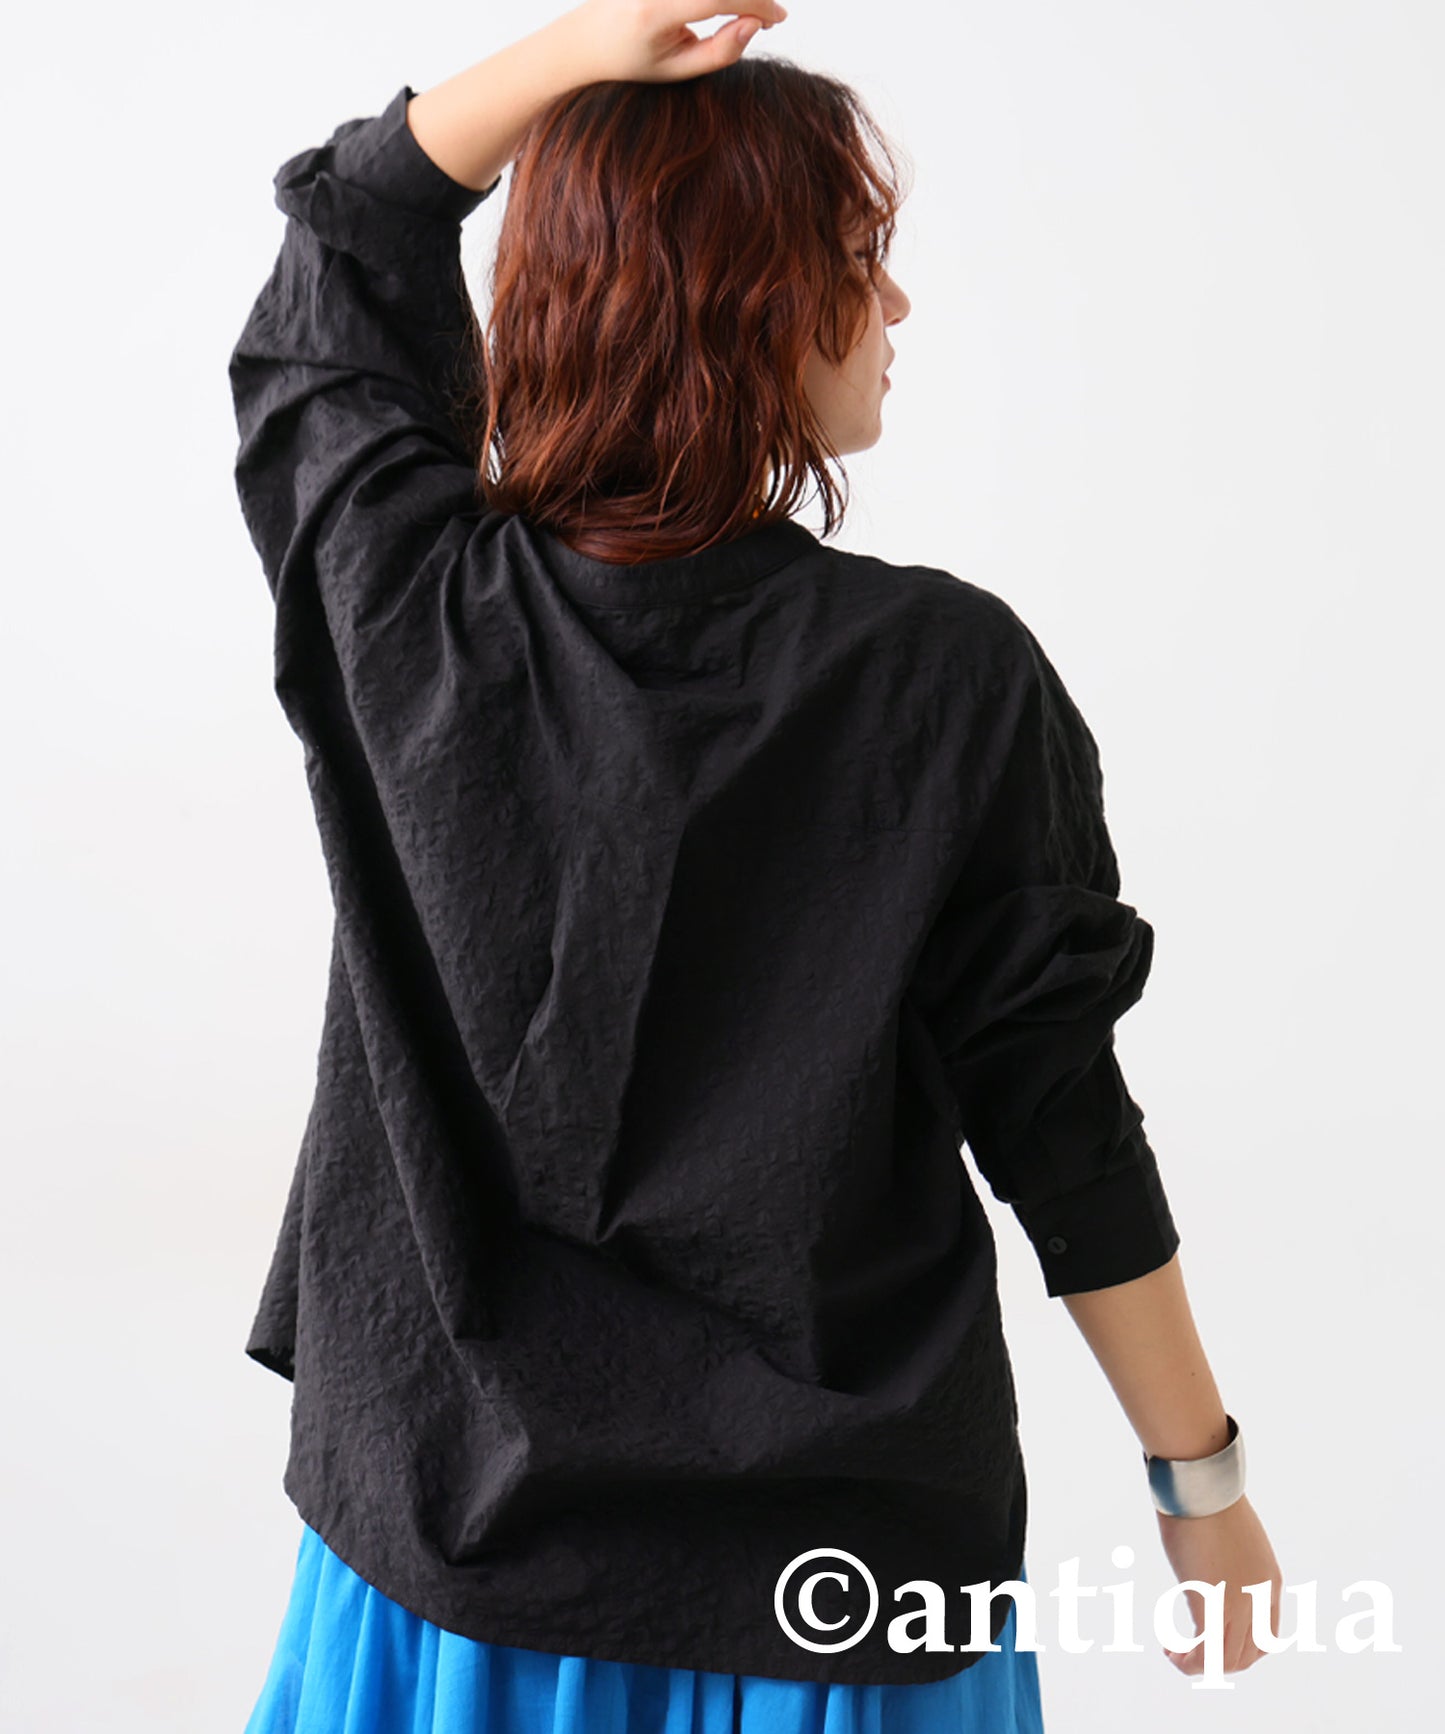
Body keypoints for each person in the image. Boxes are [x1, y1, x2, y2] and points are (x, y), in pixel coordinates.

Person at [229, 4, 1284, 1730]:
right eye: (859, 261)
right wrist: (1200, 1485)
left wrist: (567, 57)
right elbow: (1056, 1120)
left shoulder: (406, 603)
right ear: (740, 303)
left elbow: (344, 244)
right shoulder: (944, 678)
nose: (896, 306)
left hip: (446, 1549)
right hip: (835, 1587)